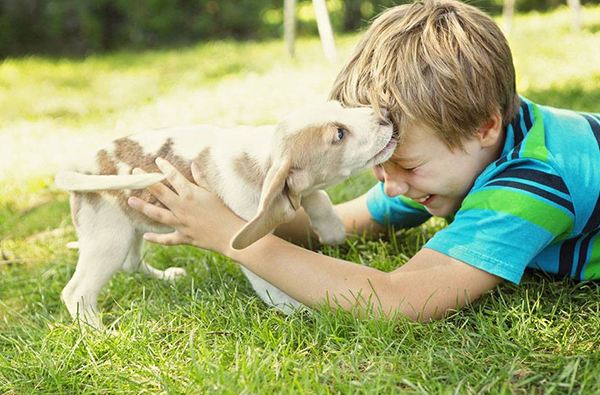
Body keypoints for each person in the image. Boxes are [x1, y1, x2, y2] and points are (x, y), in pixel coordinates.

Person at [127, 0, 600, 321]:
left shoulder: (533, 181)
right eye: (382, 164)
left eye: (407, 167)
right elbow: (341, 225)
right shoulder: (457, 152)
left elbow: (400, 299)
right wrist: (233, 211)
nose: (391, 187)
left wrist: (236, 245)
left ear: (484, 127)